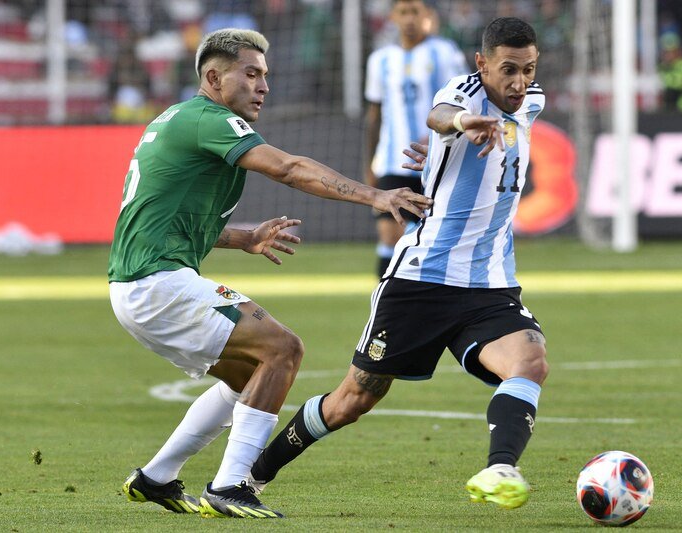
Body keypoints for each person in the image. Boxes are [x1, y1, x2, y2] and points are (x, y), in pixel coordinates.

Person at [109, 28, 431, 519]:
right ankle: (230, 485)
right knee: (283, 349)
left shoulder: (177, 119)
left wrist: (244, 238)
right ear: (214, 77)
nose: (263, 86)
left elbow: (165, 217)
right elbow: (287, 167)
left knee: (247, 375)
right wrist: (376, 195)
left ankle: (156, 477)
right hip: (158, 283)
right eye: (251, 73)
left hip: (142, 283)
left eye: (266, 76)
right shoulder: (209, 120)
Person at [250, 17, 549, 511]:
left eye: (528, 69)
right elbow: (439, 114)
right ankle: (253, 475)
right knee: (354, 400)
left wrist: (436, 160)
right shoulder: (465, 92)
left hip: (490, 284)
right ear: (482, 64)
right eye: (508, 70)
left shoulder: (532, 100)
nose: (518, 83)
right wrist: (459, 126)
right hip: (421, 281)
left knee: (530, 362)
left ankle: (501, 467)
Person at [365, 0, 467, 277]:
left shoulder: (445, 53)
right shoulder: (380, 60)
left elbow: (464, 101)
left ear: (428, 16)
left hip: (437, 160)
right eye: (403, 12)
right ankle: (387, 299)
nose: (409, 19)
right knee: (389, 234)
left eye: (415, 12)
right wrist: (369, 165)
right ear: (393, 17)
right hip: (392, 160)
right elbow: (374, 115)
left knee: (437, 238)